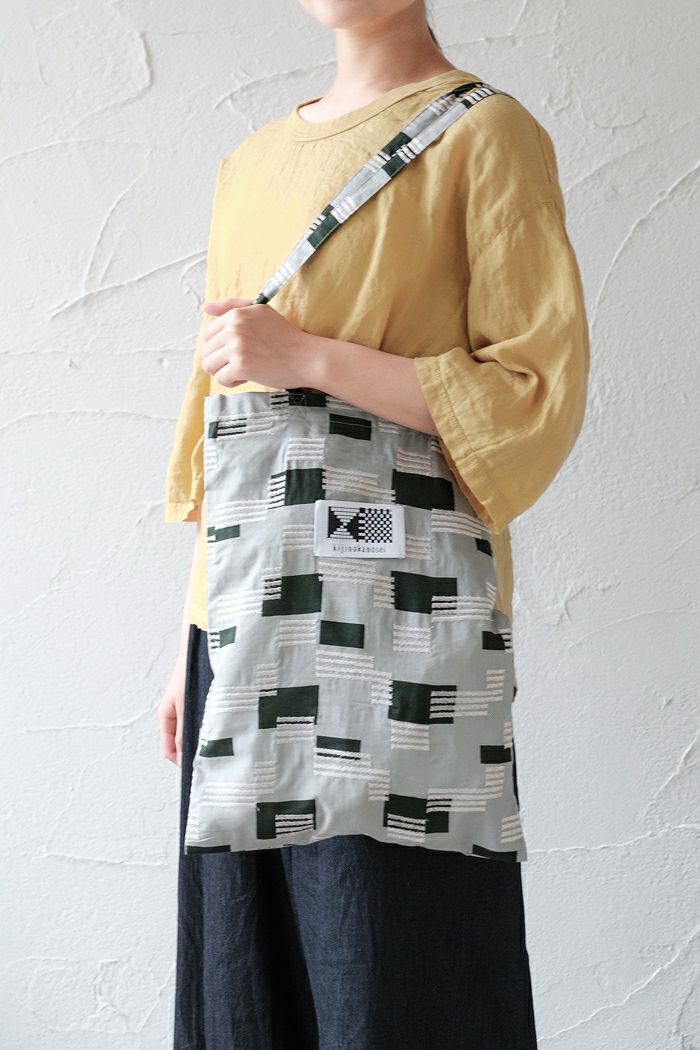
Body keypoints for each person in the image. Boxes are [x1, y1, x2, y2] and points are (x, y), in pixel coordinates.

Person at [157, 1, 590, 1046]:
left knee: (395, 965)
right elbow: (224, 430)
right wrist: (188, 640)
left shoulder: (486, 134)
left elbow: (533, 396)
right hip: (240, 630)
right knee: (243, 980)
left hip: (394, 631)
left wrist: (307, 357)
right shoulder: (251, 163)